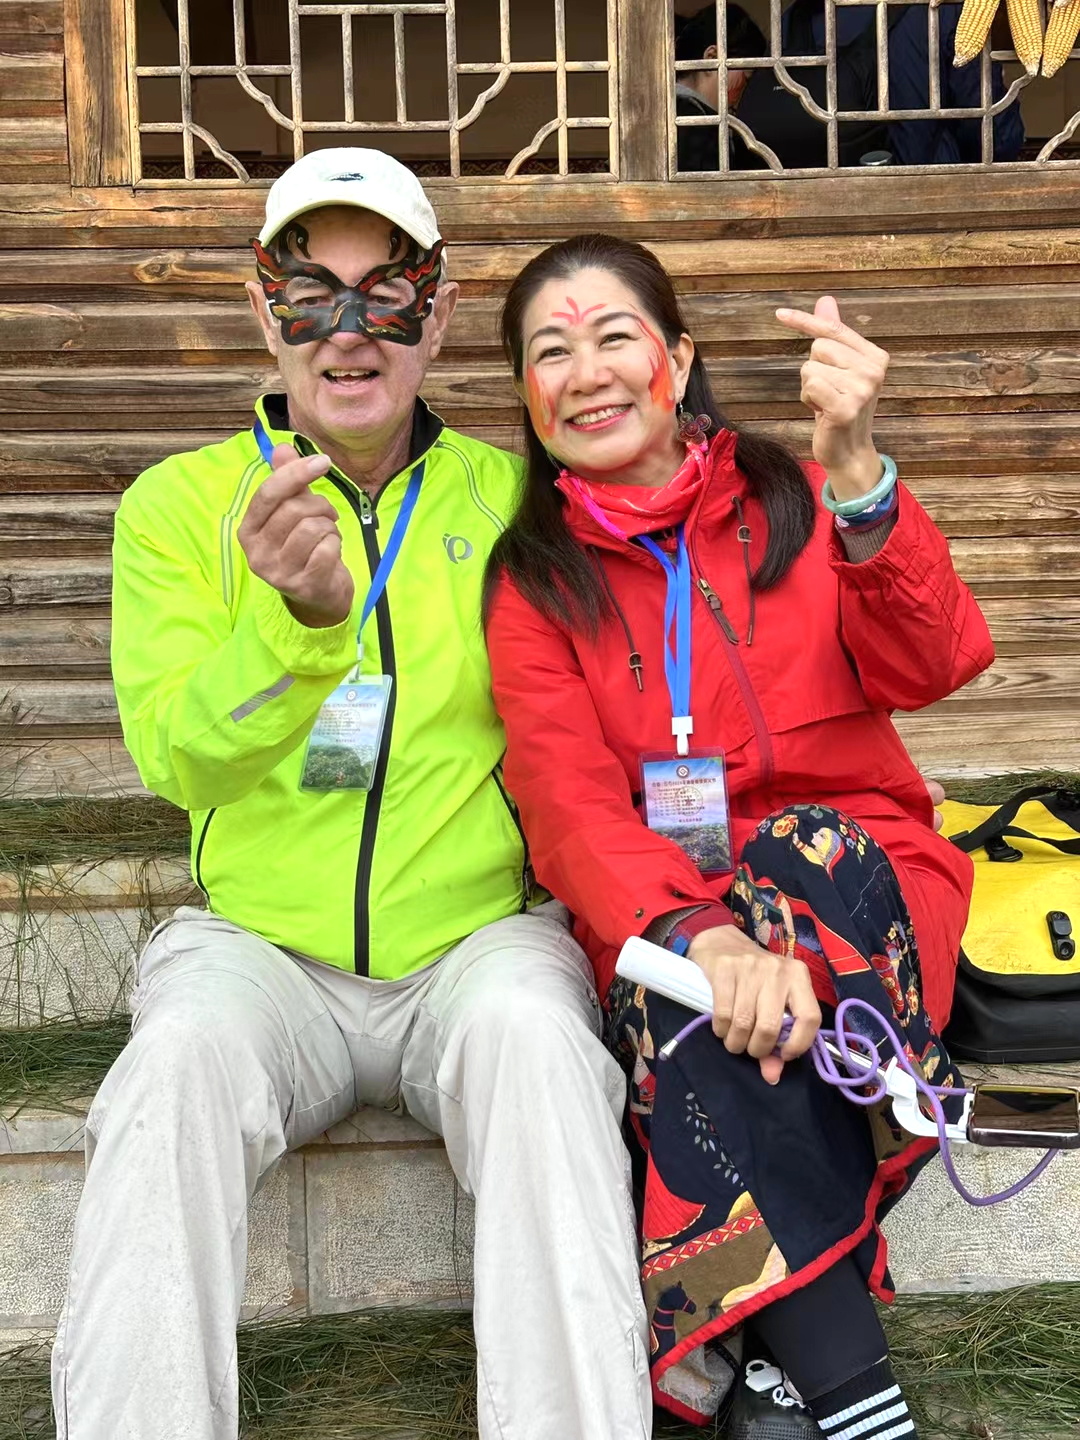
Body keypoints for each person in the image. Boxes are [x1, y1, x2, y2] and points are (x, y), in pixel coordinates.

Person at [51, 151, 653, 1440]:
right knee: (167, 1077)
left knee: (547, 1052)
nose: (347, 333)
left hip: (476, 944)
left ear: (439, 314)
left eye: (387, 294)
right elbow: (178, 759)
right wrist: (297, 629)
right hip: (261, 950)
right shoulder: (177, 509)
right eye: (309, 293)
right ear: (261, 309)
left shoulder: (516, 501)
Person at [483, 234, 995, 1433]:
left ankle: (755, 1353)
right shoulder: (533, 581)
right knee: (691, 1003)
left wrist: (858, 469)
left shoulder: (803, 502)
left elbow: (938, 661)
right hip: (668, 904)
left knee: (791, 870)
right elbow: (565, 802)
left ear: (679, 358)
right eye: (550, 352)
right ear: (527, 396)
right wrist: (702, 938)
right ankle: (827, 1388)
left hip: (857, 882)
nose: (586, 373)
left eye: (615, 337)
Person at [676, 0, 1023, 171]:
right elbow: (995, 139)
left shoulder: (791, 20)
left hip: (812, 213)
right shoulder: (941, 12)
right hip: (927, 202)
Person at [675, 3, 768, 171]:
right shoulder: (698, 128)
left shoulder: (657, 113)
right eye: (747, 78)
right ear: (712, 58)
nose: (746, 92)